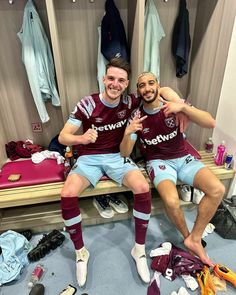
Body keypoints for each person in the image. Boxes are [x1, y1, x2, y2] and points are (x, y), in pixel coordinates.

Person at [58, 58, 184, 287]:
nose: (115, 84)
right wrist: (81, 138)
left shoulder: (130, 101)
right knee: (67, 193)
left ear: (127, 85)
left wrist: (182, 105)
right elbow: (62, 137)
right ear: (104, 79)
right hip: (89, 158)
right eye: (111, 78)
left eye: (121, 80)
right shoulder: (87, 103)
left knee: (143, 187)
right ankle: (81, 253)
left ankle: (139, 250)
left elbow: (161, 89)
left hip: (118, 157)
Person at [120, 71, 225, 267]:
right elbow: (125, 153)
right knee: (171, 201)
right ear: (138, 91)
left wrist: (183, 107)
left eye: (151, 83)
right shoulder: (137, 116)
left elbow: (210, 122)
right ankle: (188, 237)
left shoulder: (172, 104)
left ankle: (195, 237)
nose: (147, 88)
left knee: (218, 189)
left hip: (183, 156)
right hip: (159, 162)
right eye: (142, 85)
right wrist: (128, 133)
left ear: (158, 85)